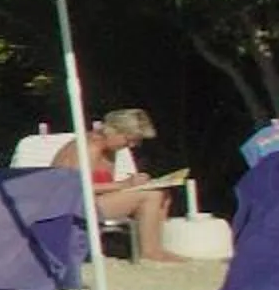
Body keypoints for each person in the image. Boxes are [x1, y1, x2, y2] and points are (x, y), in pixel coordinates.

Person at [52, 107, 182, 262]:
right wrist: (123, 185)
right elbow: (75, 188)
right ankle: (150, 252)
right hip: (69, 206)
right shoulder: (90, 147)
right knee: (151, 196)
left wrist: (135, 184)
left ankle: (156, 248)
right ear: (112, 131)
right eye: (128, 139)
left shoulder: (109, 149)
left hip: (88, 201)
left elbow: (103, 185)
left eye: (135, 141)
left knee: (162, 194)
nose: (132, 145)